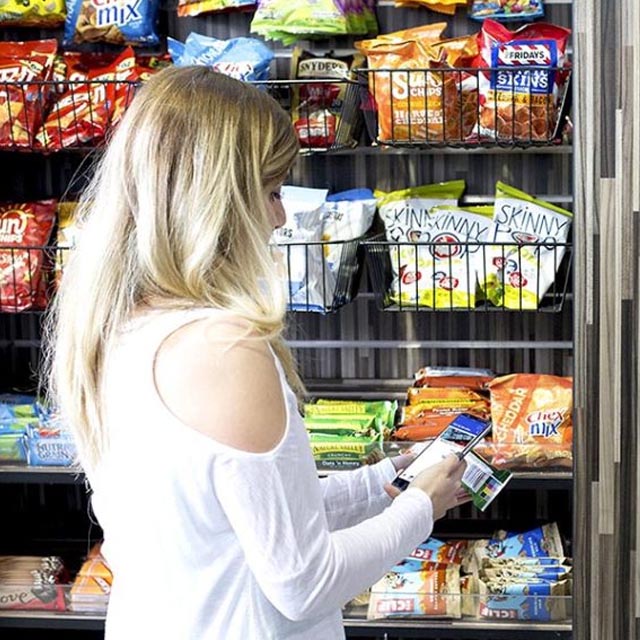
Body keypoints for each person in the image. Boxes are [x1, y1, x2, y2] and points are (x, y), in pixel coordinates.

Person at [44, 66, 467, 639]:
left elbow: (243, 521)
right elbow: (304, 583)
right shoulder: (223, 347)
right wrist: (421, 508)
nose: (280, 216)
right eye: (271, 191)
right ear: (218, 198)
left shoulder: (113, 327)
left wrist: (383, 483)